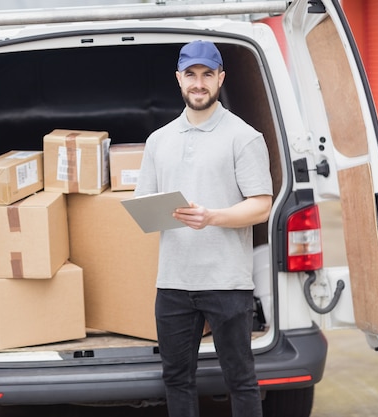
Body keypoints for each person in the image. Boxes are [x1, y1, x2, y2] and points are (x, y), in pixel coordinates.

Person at [135, 40, 273, 417]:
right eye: (191, 75)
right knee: (177, 379)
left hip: (227, 282)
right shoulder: (158, 140)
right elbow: (145, 202)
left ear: (220, 78)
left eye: (207, 75)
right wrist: (154, 212)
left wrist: (212, 217)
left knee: (240, 381)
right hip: (174, 283)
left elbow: (261, 205)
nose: (199, 83)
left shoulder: (243, 137)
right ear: (179, 78)